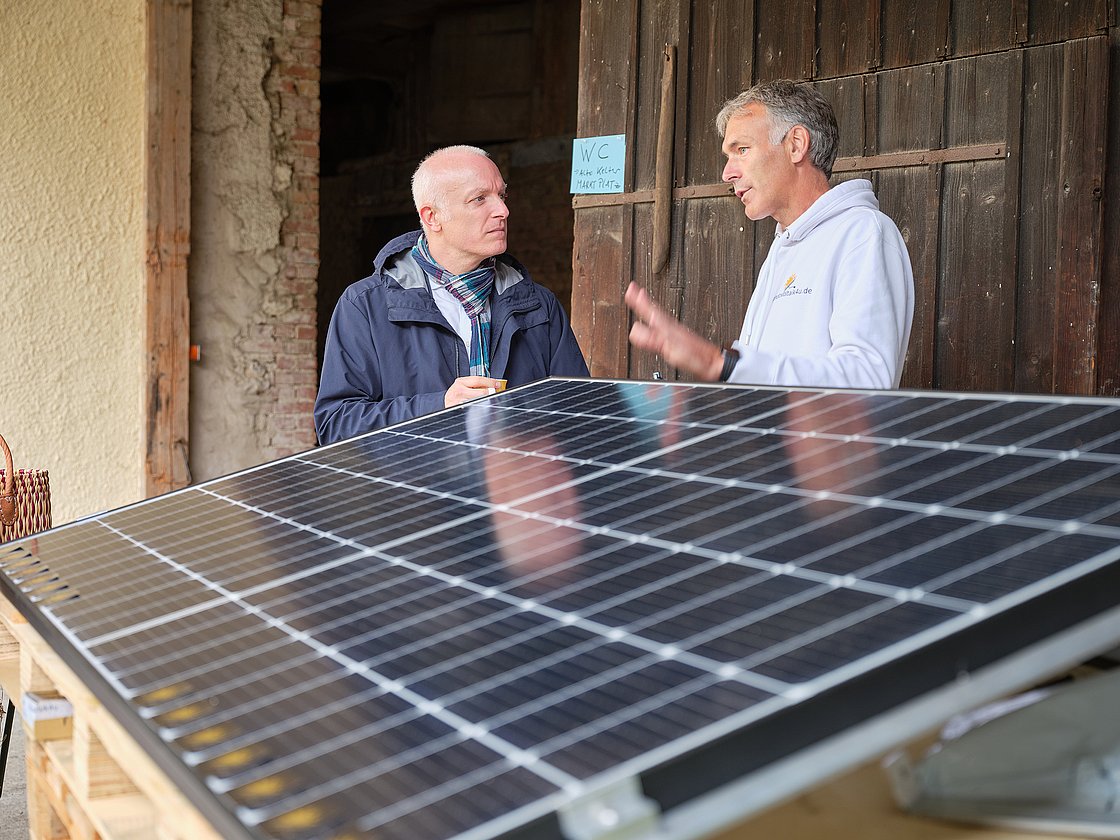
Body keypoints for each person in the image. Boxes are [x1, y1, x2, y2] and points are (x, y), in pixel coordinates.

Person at [625, 80, 914, 390]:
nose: (727, 173)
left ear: (796, 145)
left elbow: (867, 381)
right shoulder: (783, 246)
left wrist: (719, 364)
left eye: (742, 150)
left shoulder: (863, 233)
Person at [315, 145, 588, 444]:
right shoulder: (364, 306)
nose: (503, 210)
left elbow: (581, 413)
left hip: (521, 473)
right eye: (479, 199)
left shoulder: (539, 305)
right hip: (419, 477)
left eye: (502, 195)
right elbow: (336, 424)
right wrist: (440, 407)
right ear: (432, 217)